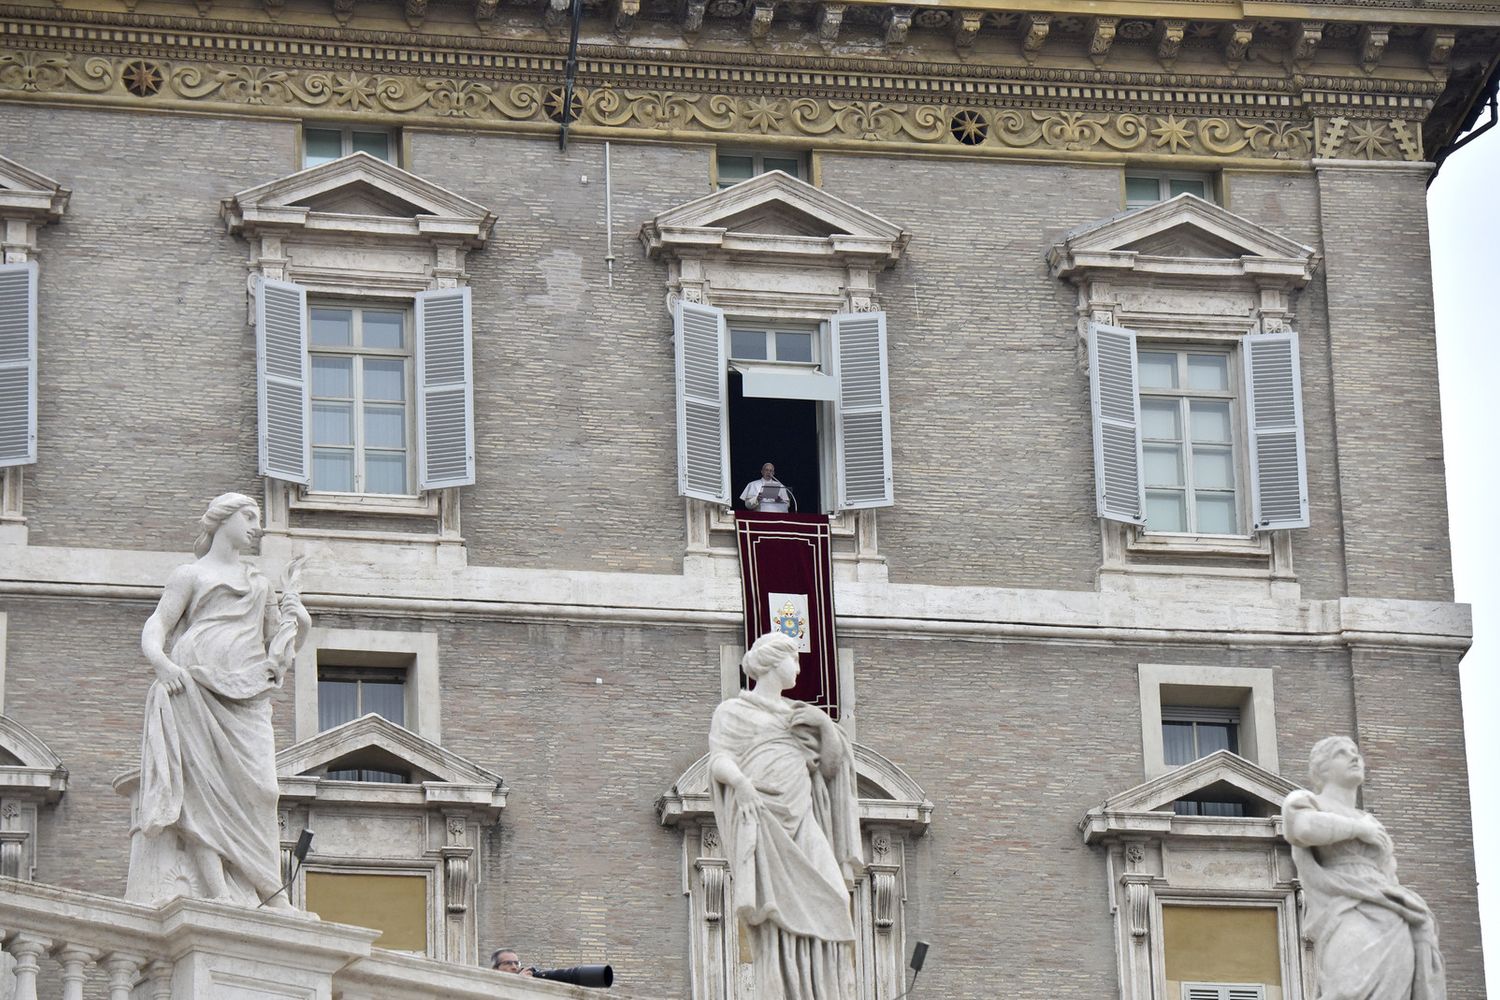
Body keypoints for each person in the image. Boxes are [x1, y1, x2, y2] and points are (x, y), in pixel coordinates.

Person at [125, 493, 311, 908]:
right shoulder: (190, 574)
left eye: (258, 518)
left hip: (247, 694)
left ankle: (267, 886)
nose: (256, 525)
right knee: (200, 788)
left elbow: (276, 647)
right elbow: (159, 622)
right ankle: (221, 889)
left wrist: (298, 620)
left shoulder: (260, 584)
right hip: (192, 687)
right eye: (248, 516)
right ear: (222, 519)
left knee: (263, 790)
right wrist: (160, 663)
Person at [708, 632, 861, 1000]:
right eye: (794, 660)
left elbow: (832, 767)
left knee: (837, 897)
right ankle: (783, 988)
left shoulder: (800, 715)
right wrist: (741, 784)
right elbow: (719, 759)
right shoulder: (733, 711)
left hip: (803, 815)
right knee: (775, 913)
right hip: (763, 815)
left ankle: (825, 990)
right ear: (775, 663)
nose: (798, 668)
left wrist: (824, 725)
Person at [1284, 736, 1446, 1000]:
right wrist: (1357, 829)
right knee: (1346, 989)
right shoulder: (1306, 801)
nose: (1354, 757)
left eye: (1355, 752)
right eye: (1341, 753)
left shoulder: (1372, 822)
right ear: (1321, 768)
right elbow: (1302, 828)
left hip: (1392, 919)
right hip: (1344, 910)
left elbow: (1388, 875)